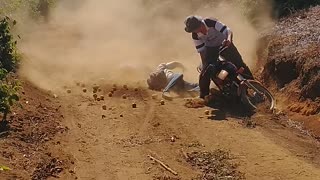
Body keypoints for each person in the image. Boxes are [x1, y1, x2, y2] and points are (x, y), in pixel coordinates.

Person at [184, 15, 253, 99]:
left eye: (196, 29)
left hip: (225, 44)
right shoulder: (195, 35)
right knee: (207, 71)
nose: (197, 31)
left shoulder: (210, 22)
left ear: (200, 24)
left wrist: (229, 40)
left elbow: (227, 30)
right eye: (194, 30)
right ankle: (204, 95)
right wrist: (205, 64)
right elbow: (202, 52)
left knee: (238, 64)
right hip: (211, 50)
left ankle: (253, 85)